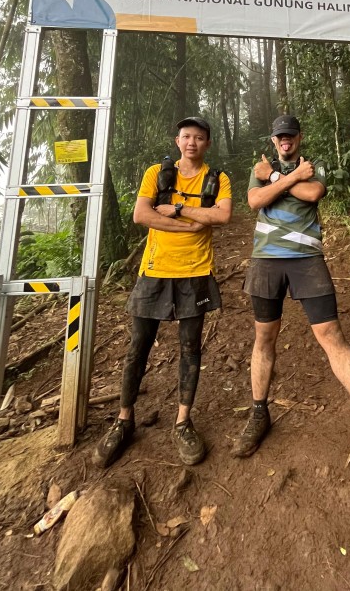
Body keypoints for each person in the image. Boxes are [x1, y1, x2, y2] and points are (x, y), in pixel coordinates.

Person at [231, 114, 350, 485]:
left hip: (307, 262)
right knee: (264, 338)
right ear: (273, 138)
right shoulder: (259, 168)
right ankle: (259, 413)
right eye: (280, 136)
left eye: (291, 136)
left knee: (332, 336)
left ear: (299, 138)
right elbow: (254, 201)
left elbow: (313, 193)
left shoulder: (316, 168)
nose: (285, 141)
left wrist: (280, 178)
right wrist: (282, 180)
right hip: (265, 262)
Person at [93, 117, 232, 468]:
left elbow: (224, 216)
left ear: (207, 144)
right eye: (186, 136)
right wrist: (192, 223)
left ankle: (183, 421)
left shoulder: (218, 179)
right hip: (154, 270)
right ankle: (124, 420)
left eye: (199, 138)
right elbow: (142, 215)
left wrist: (178, 209)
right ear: (177, 140)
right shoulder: (157, 173)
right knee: (137, 346)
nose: (192, 143)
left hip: (196, 272)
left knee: (190, 348)